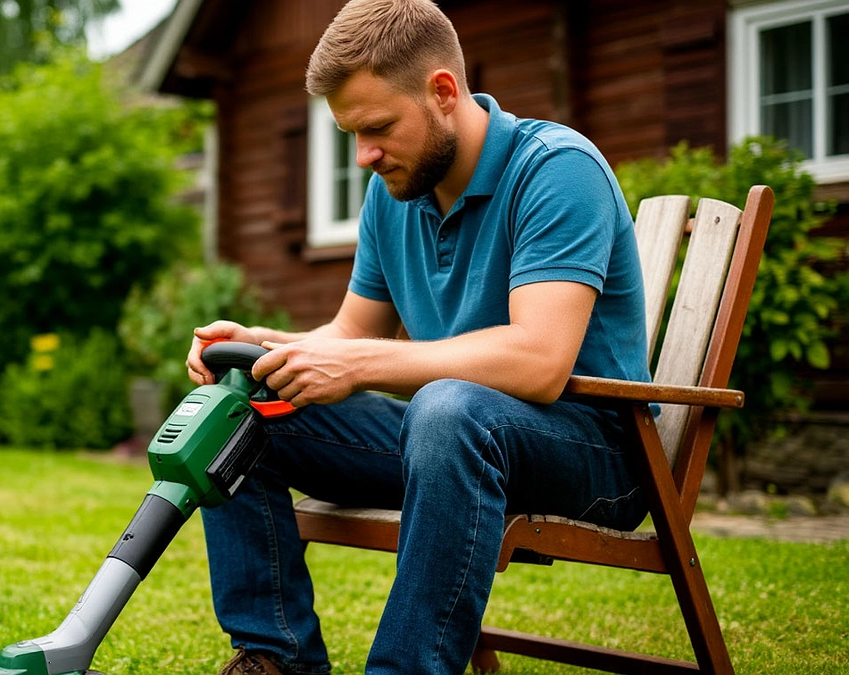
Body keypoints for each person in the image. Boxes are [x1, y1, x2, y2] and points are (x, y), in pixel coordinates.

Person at [185, 1, 652, 673]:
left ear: (442, 91)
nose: (364, 156)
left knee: (446, 409)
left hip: (595, 451)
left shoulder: (557, 170)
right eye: (351, 134)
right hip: (452, 436)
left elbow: (541, 360)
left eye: (378, 127)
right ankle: (274, 658)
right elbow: (352, 334)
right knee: (240, 408)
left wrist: (357, 364)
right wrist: (262, 345)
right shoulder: (393, 194)